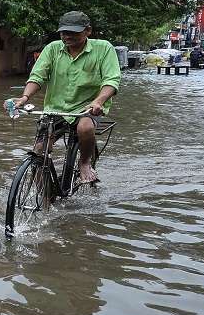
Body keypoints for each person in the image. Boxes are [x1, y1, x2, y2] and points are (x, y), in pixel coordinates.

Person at [10, 10, 121, 185]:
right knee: (39, 149)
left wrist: (99, 101)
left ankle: (84, 163)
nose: (67, 36)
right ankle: (44, 192)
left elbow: (112, 80)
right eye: (64, 32)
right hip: (56, 109)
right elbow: (38, 77)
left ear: (88, 31)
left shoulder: (103, 48)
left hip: (88, 107)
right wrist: (24, 98)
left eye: (73, 32)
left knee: (85, 127)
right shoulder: (52, 49)